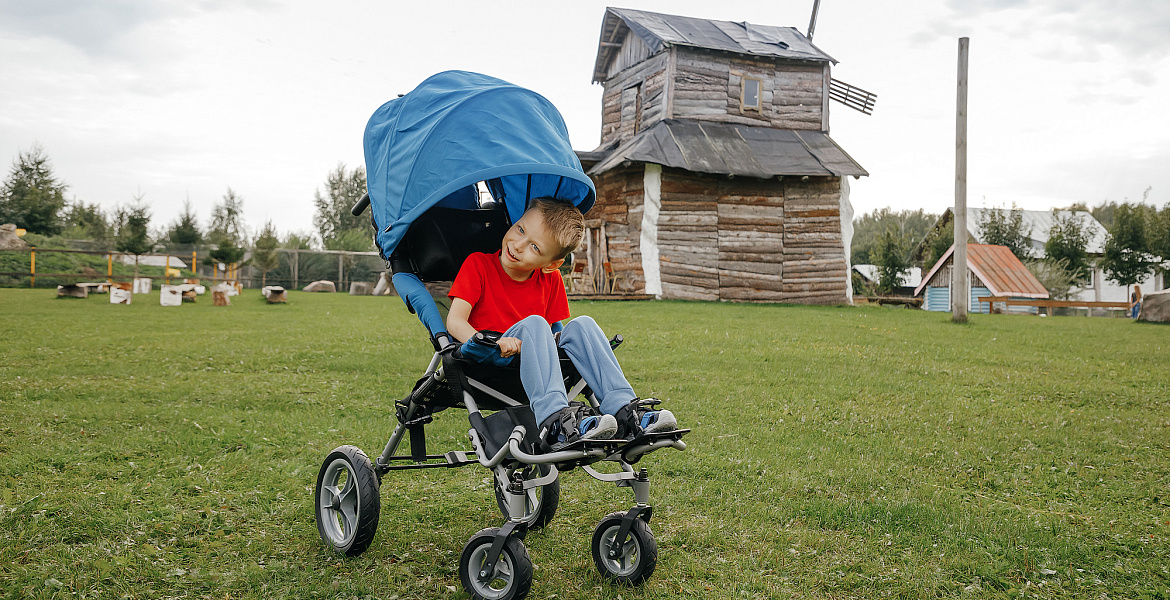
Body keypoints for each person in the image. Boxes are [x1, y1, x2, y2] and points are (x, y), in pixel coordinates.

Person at [446, 197, 677, 450]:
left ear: (552, 264)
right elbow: (455, 322)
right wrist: (493, 342)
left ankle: (626, 412)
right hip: (490, 354)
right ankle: (555, 422)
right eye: (520, 229)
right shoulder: (478, 265)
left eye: (535, 247)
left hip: (537, 360)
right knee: (535, 323)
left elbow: (558, 332)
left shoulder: (552, 279)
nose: (518, 245)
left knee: (583, 325)